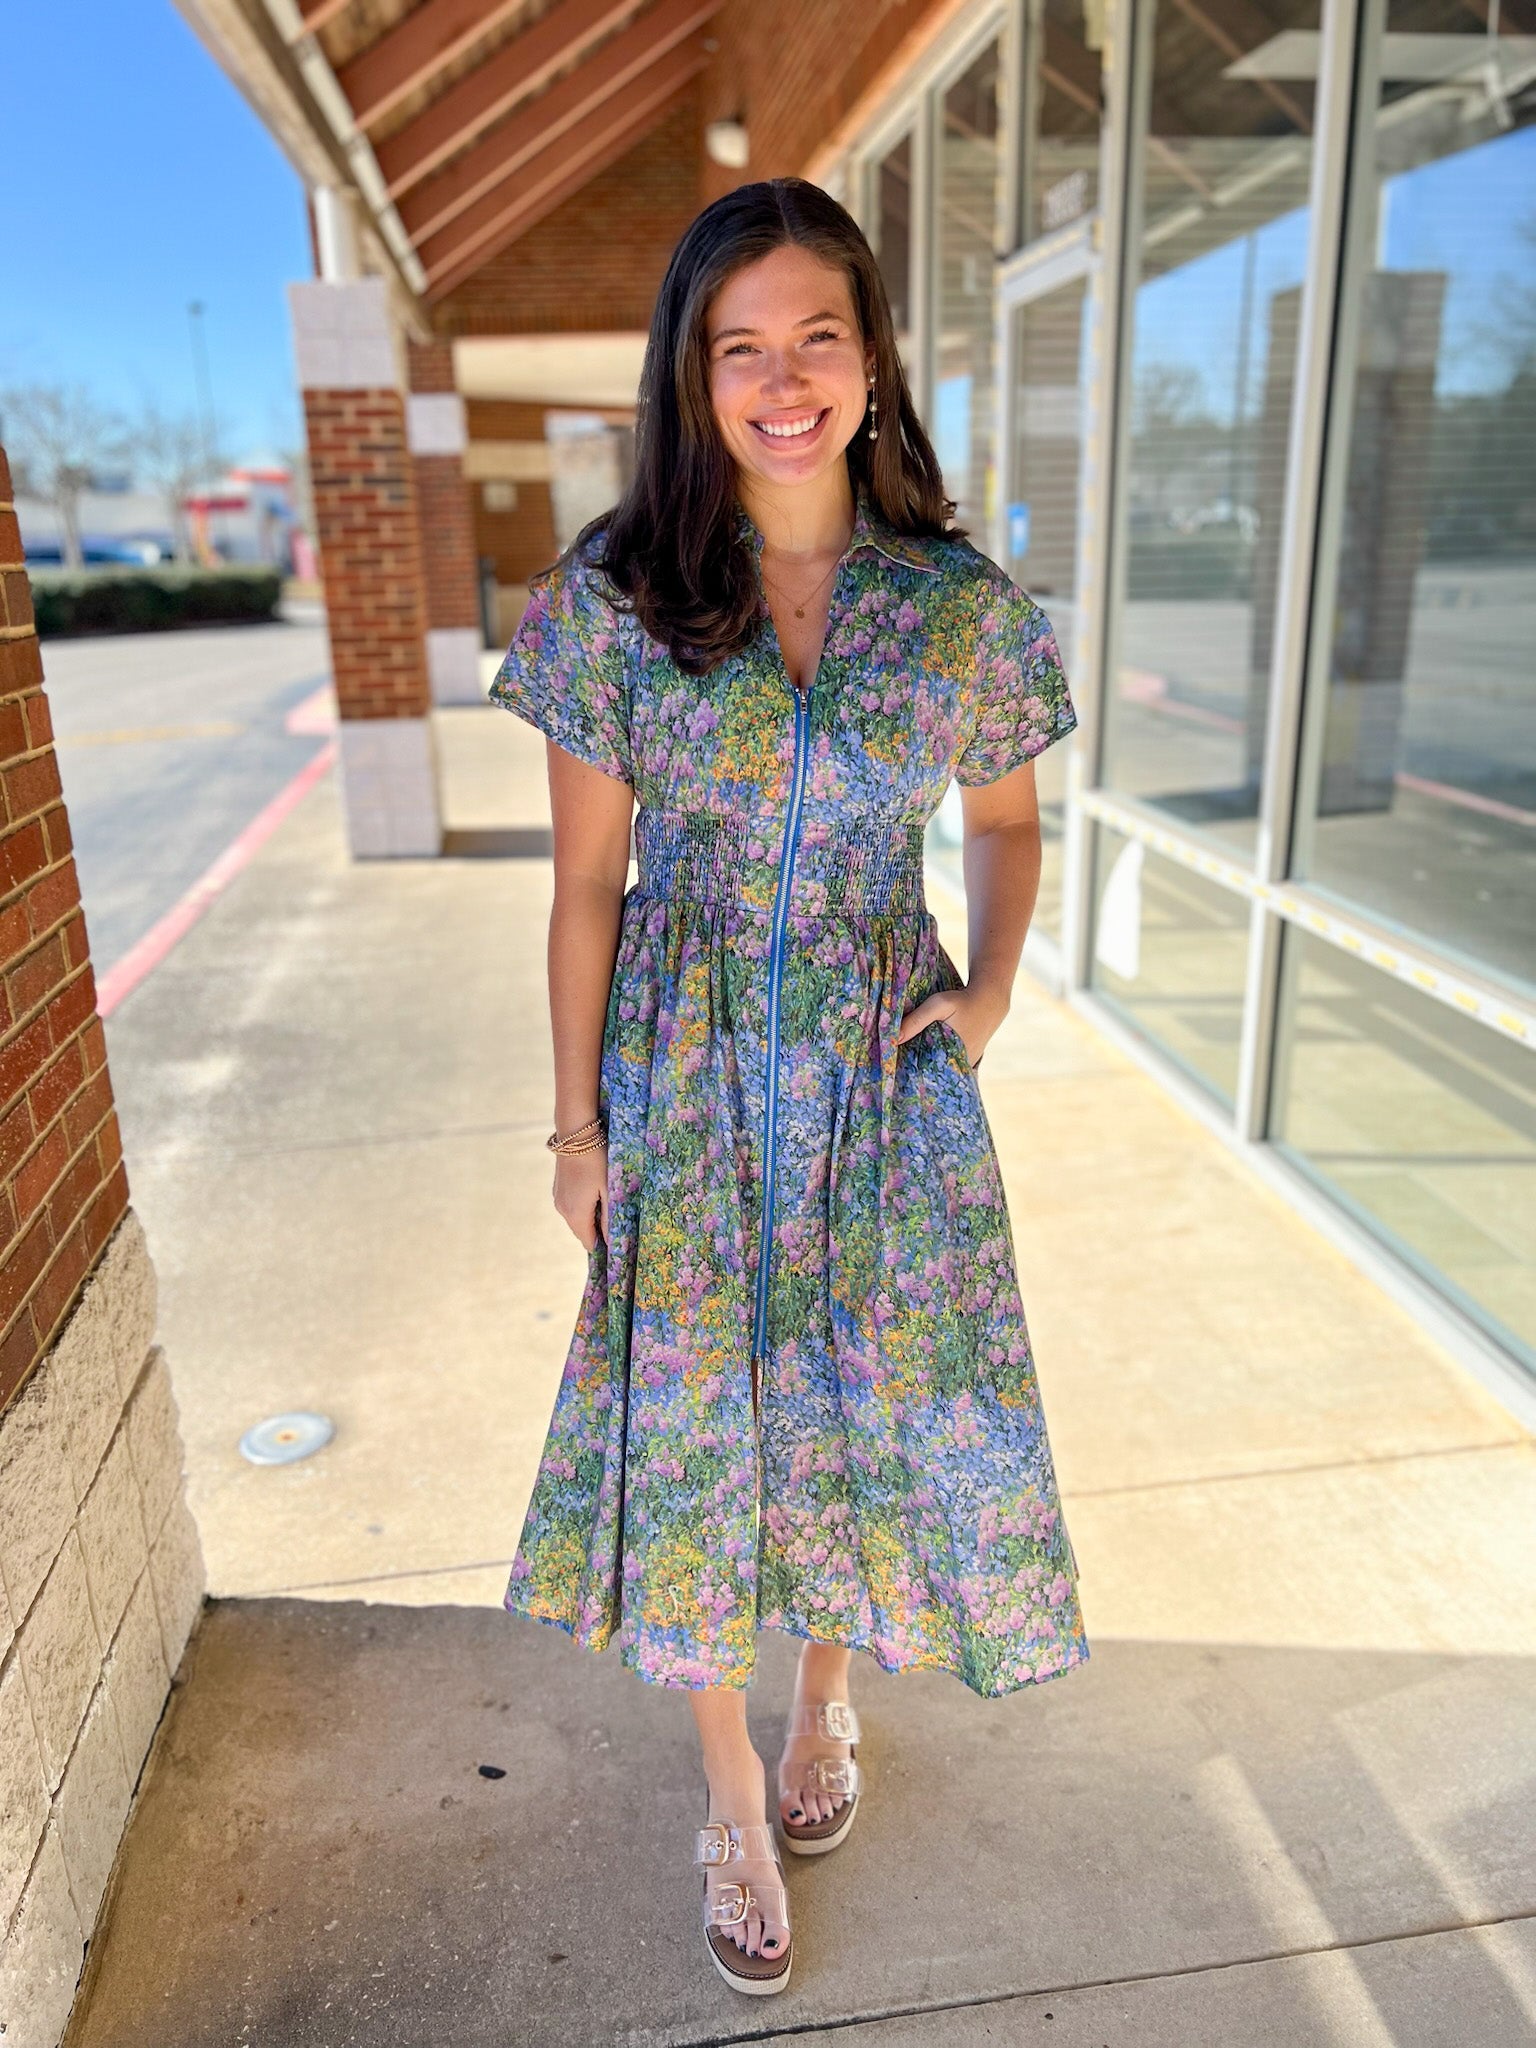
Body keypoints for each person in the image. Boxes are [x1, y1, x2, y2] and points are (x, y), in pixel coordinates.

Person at [488, 176, 1088, 1997]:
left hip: (880, 1075)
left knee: (858, 1401)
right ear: (692, 377)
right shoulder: (616, 601)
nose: (781, 379)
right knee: (694, 1431)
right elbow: (587, 888)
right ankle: (733, 1796)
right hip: (682, 1075)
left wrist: (989, 992)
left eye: (816, 336)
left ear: (873, 359)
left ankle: (827, 1698)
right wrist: (578, 1131)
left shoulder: (956, 607)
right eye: (737, 346)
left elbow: (1006, 823)